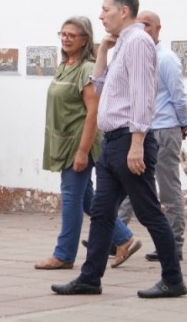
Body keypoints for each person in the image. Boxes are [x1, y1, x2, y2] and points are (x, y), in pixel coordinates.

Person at [51, 0, 186, 298]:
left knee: (148, 211)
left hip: (129, 141)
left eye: (106, 9)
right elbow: (100, 88)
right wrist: (102, 52)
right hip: (113, 142)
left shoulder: (138, 42)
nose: (101, 16)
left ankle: (173, 279)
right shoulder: (122, 43)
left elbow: (143, 94)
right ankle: (90, 279)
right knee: (101, 213)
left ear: (124, 11)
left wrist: (137, 143)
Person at [35, 16, 141, 270]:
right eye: (63, 34)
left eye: (72, 35)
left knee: (71, 198)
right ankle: (124, 238)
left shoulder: (86, 69)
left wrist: (82, 151)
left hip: (78, 144)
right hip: (64, 143)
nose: (66, 38)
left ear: (85, 40)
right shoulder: (65, 66)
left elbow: (93, 113)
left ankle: (64, 254)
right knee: (86, 199)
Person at [117, 11, 187, 262]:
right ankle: (115, 237)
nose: (142, 29)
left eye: (147, 25)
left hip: (165, 129)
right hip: (142, 131)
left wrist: (183, 124)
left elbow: (179, 96)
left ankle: (173, 244)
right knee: (130, 186)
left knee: (168, 189)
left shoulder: (166, 59)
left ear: (159, 29)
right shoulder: (135, 56)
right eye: (139, 25)